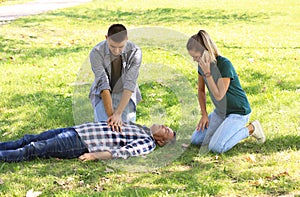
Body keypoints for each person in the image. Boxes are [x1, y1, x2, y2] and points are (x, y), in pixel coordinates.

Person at [186, 29, 266, 153]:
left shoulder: (224, 65)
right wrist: (204, 114)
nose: (194, 60)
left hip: (238, 112)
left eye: (196, 57)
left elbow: (219, 96)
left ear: (206, 52)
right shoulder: (201, 65)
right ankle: (222, 131)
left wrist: (208, 73)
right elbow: (201, 91)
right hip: (220, 112)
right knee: (196, 140)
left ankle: (251, 128)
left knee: (217, 147)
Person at [0, 121, 176, 162]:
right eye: (166, 126)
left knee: (32, 148)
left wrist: (94, 155)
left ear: (160, 142)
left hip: (80, 142)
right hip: (77, 130)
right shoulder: (142, 128)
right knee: (29, 138)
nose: (163, 126)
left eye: (165, 131)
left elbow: (122, 152)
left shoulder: (147, 142)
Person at [89, 24, 142, 132]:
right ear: (106, 38)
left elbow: (130, 83)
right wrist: (112, 118)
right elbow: (103, 84)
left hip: (125, 93)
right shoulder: (96, 52)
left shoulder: (135, 52)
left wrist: (118, 113)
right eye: (112, 46)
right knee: (105, 130)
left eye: (121, 47)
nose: (116, 51)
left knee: (127, 131)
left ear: (126, 39)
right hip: (103, 94)